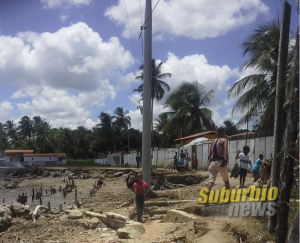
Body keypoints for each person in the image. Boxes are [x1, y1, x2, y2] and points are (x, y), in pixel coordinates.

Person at [205, 127, 230, 205]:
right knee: (226, 181)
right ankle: (228, 199)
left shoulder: (213, 142)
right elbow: (225, 150)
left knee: (210, 182)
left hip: (212, 163)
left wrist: (209, 161)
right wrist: (227, 160)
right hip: (220, 162)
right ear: (223, 133)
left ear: (217, 133)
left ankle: (206, 200)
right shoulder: (224, 140)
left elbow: (210, 154)